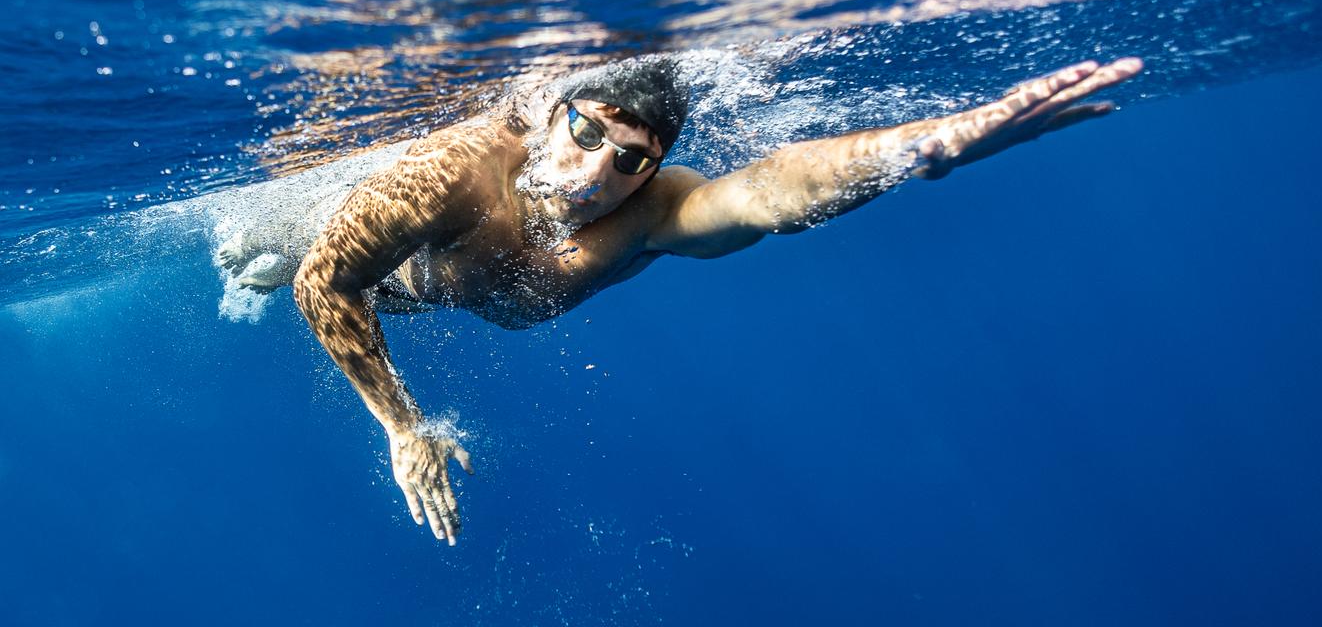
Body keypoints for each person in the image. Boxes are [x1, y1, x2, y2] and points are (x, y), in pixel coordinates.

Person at [255, 53, 1142, 545]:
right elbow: (325, 282)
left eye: (629, 160)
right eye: (585, 132)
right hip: (371, 255)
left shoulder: (648, 215)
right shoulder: (459, 172)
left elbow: (769, 192)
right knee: (265, 258)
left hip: (451, 288)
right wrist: (403, 426)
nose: (596, 172)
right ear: (551, 108)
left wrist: (924, 149)